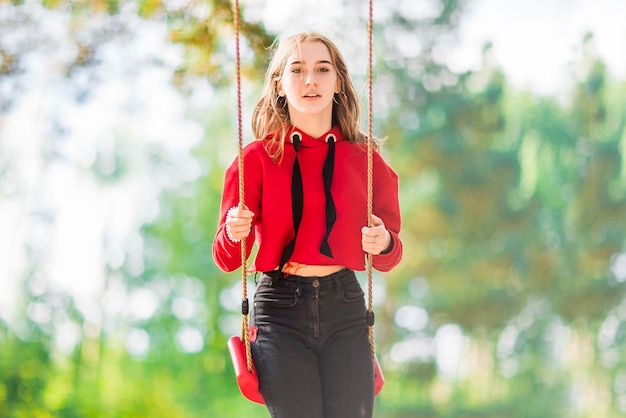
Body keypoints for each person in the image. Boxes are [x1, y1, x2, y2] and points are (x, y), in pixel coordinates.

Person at [212, 32, 402, 418]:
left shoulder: (367, 161)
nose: (310, 79)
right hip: (279, 310)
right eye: (297, 70)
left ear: (338, 82)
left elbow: (389, 255)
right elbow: (226, 258)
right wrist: (235, 232)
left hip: (345, 305)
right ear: (280, 84)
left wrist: (382, 242)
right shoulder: (255, 160)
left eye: (322, 69)